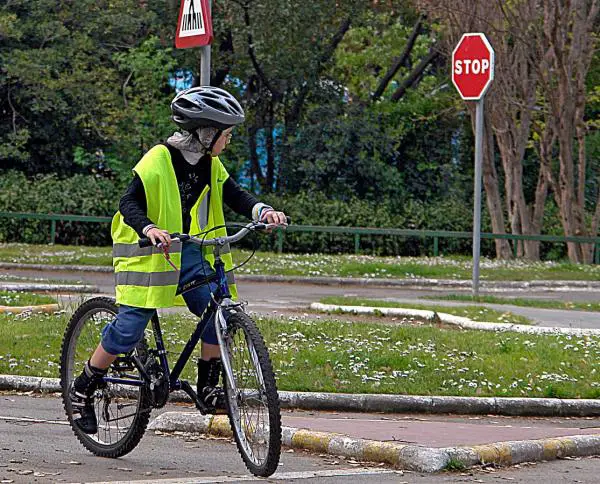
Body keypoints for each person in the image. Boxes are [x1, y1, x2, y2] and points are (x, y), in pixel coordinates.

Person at [69, 86, 287, 434]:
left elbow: (234, 194)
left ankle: (210, 386)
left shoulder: (210, 163)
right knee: (128, 329)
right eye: (226, 134)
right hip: (147, 252)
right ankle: (83, 387)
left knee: (218, 312)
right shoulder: (158, 158)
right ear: (207, 134)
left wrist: (262, 211)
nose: (228, 141)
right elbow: (129, 204)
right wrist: (150, 227)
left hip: (189, 250)